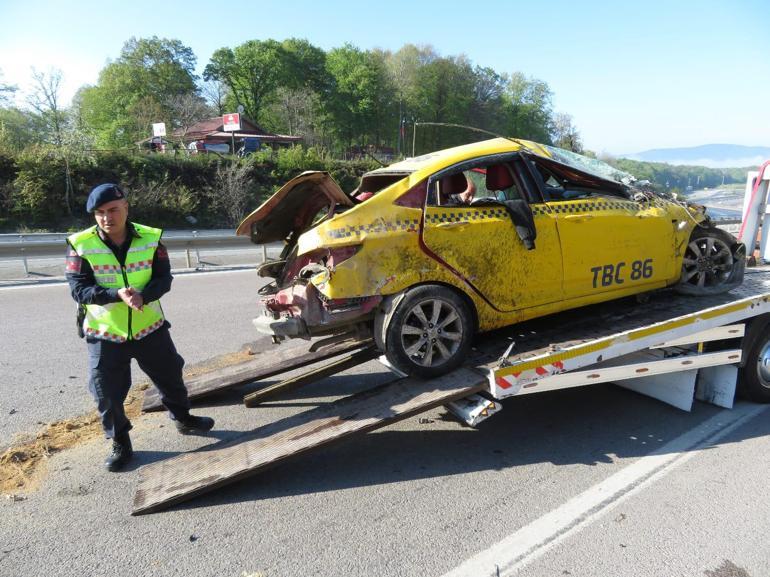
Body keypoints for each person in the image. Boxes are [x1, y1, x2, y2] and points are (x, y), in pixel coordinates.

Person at [66, 183, 215, 472]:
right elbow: (78, 288)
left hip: (150, 327)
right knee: (106, 392)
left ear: (126, 208)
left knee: (171, 376)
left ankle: (183, 419)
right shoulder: (80, 244)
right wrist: (115, 295)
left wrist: (144, 295)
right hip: (106, 332)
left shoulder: (150, 238)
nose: (107, 217)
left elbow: (164, 279)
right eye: (100, 213)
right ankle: (120, 440)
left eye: (112, 210)